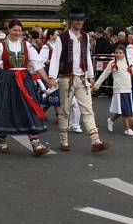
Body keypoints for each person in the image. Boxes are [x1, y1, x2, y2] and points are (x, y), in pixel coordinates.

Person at [0, 19, 55, 156]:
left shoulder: (27, 45)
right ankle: (2, 141)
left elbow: (37, 65)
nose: (18, 33)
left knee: (29, 108)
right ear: (9, 31)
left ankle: (35, 144)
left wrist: (47, 80)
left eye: (19, 30)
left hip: (24, 79)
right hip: (6, 80)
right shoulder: (2, 46)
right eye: (15, 30)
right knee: (4, 108)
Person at [47, 10, 111, 153]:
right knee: (65, 111)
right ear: (71, 21)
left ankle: (95, 141)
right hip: (66, 78)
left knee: (88, 109)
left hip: (81, 78)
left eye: (81, 20)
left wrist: (91, 75)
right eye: (76, 20)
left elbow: (87, 56)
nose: (79, 22)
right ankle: (64, 140)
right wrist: (52, 76)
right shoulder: (62, 37)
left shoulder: (86, 37)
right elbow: (56, 57)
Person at [92, 44, 133, 136]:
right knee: (125, 110)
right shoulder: (112, 63)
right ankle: (127, 129)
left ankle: (111, 120)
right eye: (116, 53)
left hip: (128, 89)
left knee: (123, 110)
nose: (118, 54)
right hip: (118, 90)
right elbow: (104, 74)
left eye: (120, 53)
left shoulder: (129, 63)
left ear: (124, 53)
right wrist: (97, 84)